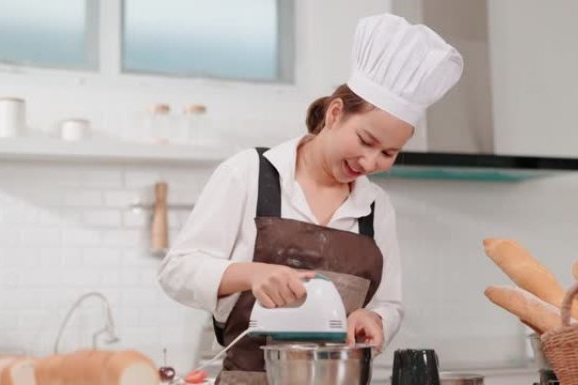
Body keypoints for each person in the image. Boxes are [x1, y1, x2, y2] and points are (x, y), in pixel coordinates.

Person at [158, 13, 463, 384]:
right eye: (366, 141)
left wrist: (376, 319)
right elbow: (177, 271)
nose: (370, 162)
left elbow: (389, 303)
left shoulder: (376, 206)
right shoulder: (250, 173)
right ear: (335, 114)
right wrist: (251, 274)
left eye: (388, 153)